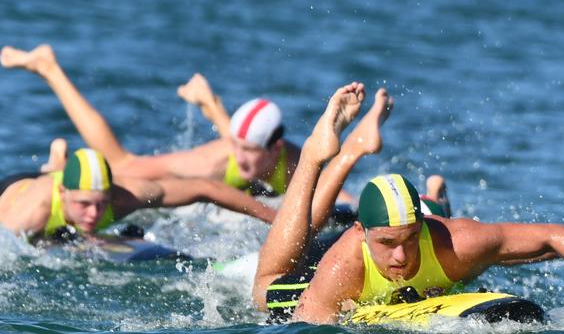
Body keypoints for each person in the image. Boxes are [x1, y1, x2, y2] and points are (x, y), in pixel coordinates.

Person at [252, 81, 564, 324]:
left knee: (474, 248)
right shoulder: (341, 267)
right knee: (264, 285)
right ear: (363, 233)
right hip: (325, 274)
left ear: (422, 228)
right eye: (388, 244)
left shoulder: (458, 242)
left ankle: (431, 201)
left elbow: (551, 235)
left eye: (409, 239)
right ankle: (331, 154)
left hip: (432, 228)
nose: (401, 256)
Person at [0, 44, 352, 200]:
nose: (240, 157)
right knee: (122, 164)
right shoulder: (219, 160)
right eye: (237, 147)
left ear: (276, 149)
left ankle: (206, 98)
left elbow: (341, 197)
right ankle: (49, 68)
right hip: (210, 172)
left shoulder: (292, 160)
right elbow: (235, 145)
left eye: (250, 151)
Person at [0, 147, 276, 240]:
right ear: (64, 193)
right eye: (85, 205)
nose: (94, 214)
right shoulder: (32, 210)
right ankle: (56, 164)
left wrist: (276, 218)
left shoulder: (125, 195)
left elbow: (204, 188)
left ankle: (59, 163)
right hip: (16, 187)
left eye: (100, 204)